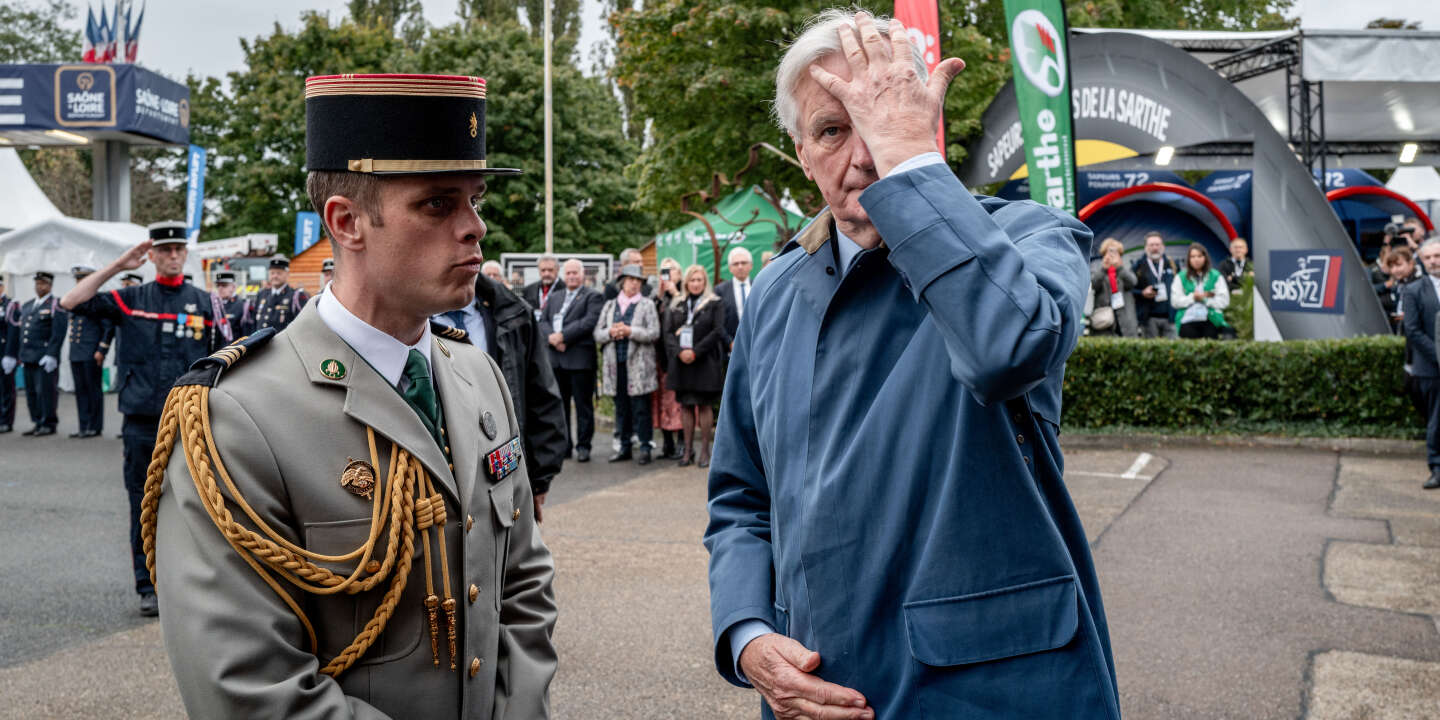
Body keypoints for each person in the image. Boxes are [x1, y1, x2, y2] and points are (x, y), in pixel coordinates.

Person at [705, 10, 1119, 720]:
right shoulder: (774, 292)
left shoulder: (1029, 236)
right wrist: (746, 635)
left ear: (925, 125)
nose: (863, 154)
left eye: (881, 119)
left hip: (989, 698)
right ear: (803, 153)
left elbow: (1007, 348)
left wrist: (910, 164)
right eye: (833, 129)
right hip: (814, 697)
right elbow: (742, 501)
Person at [142, 73, 557, 716]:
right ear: (347, 221)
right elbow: (249, 688)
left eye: (474, 200)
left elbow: (523, 585)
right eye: (438, 204)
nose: (475, 227)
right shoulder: (238, 417)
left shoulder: (478, 376)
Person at [60, 221, 220, 616]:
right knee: (144, 505)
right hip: (142, 421)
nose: (171, 255)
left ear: (185, 254)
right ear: (151, 256)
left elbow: (223, 358)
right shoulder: (131, 298)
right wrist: (117, 265)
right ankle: (147, 584)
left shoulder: (203, 302)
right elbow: (71, 302)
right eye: (163, 249)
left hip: (190, 423)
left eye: (177, 249)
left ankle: (190, 583)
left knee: (197, 506)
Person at [433, 273, 568, 522]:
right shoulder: (407, 316)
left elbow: (541, 394)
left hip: (502, 470)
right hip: (437, 478)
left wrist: (539, 479)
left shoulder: (513, 315)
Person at [594, 264, 661, 465]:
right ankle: (624, 446)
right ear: (623, 282)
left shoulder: (647, 304)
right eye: (631, 280)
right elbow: (598, 333)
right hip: (616, 365)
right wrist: (611, 333)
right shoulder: (610, 305)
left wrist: (631, 331)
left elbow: (654, 332)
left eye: (638, 281)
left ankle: (645, 447)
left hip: (639, 366)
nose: (634, 284)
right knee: (621, 407)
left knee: (641, 408)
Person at [541, 258, 604, 462]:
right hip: (556, 359)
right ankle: (565, 446)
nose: (571, 276)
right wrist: (551, 337)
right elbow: (543, 321)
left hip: (579, 360)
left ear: (583, 274)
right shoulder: (556, 296)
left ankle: (584, 446)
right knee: (560, 406)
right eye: (568, 273)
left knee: (583, 405)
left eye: (575, 273)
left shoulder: (593, 296)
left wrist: (563, 336)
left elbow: (588, 322)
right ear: (563, 275)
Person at [663, 264, 726, 467]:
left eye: (699, 280)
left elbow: (717, 331)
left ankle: (705, 451)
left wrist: (695, 352)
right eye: (692, 280)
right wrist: (680, 352)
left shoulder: (714, 303)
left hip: (705, 361)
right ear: (686, 283)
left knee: (705, 406)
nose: (696, 284)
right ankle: (688, 451)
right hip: (681, 363)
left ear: (704, 282)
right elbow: (668, 333)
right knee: (686, 405)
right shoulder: (677, 303)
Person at [4, 271, 66, 436]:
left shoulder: (56, 304)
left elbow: (58, 332)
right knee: (31, 393)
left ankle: (48, 423)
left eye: (43, 283)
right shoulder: (28, 305)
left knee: (45, 392)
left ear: (50, 285)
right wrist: (17, 354)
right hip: (28, 356)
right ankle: (37, 421)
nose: (39, 286)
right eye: (37, 283)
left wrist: (52, 354)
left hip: (44, 357)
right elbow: (22, 331)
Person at [1403, 238, 1440, 490]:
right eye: (1427, 258)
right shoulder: (1414, 290)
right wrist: (1439, 355)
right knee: (1437, 420)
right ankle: (1436, 467)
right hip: (1430, 368)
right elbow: (1413, 331)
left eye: (1437, 256)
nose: (1433, 262)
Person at [66, 265, 115, 438]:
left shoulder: (97, 301)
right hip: (77, 351)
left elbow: (108, 327)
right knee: (80, 390)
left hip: (91, 351)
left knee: (93, 389)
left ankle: (95, 426)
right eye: (77, 280)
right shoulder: (76, 300)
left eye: (82, 280)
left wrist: (101, 349)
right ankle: (83, 425)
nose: (79, 283)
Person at [651, 257, 686, 459]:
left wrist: (674, 293)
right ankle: (667, 443)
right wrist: (659, 295)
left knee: (678, 401)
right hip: (659, 356)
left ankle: (683, 441)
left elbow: (687, 314)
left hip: (678, 354)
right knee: (662, 401)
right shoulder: (658, 296)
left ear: (679, 274)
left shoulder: (683, 293)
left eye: (671, 270)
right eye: (663, 271)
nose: (667, 274)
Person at [1170, 243, 1231, 339]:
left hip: (1211, 319)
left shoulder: (1215, 275)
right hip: (1187, 319)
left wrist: (1205, 300)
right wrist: (1192, 298)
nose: (1196, 259)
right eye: (1193, 257)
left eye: (1199, 256)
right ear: (1188, 259)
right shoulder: (1180, 276)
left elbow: (1224, 301)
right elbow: (1175, 301)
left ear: (1205, 258)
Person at [1089, 238, 1139, 337]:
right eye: (1109, 252)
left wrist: (1119, 268)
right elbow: (1094, 285)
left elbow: (1133, 282)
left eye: (1115, 252)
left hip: (1125, 318)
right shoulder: (1098, 268)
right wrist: (1104, 269)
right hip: (1104, 319)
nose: (1111, 255)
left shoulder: (1125, 267)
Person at [1132, 231, 1176, 338]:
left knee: (1172, 352)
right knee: (1150, 353)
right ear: (1146, 247)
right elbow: (1129, 289)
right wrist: (1142, 293)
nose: (1155, 248)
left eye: (1157, 244)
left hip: (1170, 318)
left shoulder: (1173, 264)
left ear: (1163, 246)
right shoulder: (1138, 266)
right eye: (1151, 245)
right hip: (1148, 318)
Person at [252, 255, 309, 331]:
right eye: (272, 273)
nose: (275, 276)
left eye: (279, 273)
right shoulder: (262, 294)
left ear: (287, 274)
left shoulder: (295, 296)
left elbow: (301, 324)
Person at [714, 246, 754, 350]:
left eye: (744, 263)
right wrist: (729, 342)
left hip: (756, 344)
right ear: (730, 268)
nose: (740, 266)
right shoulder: (720, 290)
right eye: (736, 264)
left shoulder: (759, 286)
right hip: (730, 348)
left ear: (751, 265)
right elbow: (717, 321)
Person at [213, 270, 253, 339]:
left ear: (233, 287)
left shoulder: (243, 306)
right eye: (218, 286)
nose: (220, 288)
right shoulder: (214, 305)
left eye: (224, 285)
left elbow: (247, 335)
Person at [524, 253, 562, 322]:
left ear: (557, 269)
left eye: (550, 270)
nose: (546, 274)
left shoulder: (566, 289)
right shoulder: (528, 290)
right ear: (538, 270)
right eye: (543, 270)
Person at [0, 277, 17, 433]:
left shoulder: (10, 305)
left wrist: (10, 354)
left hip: (4, 353)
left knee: (6, 389)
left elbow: (13, 331)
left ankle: (6, 420)